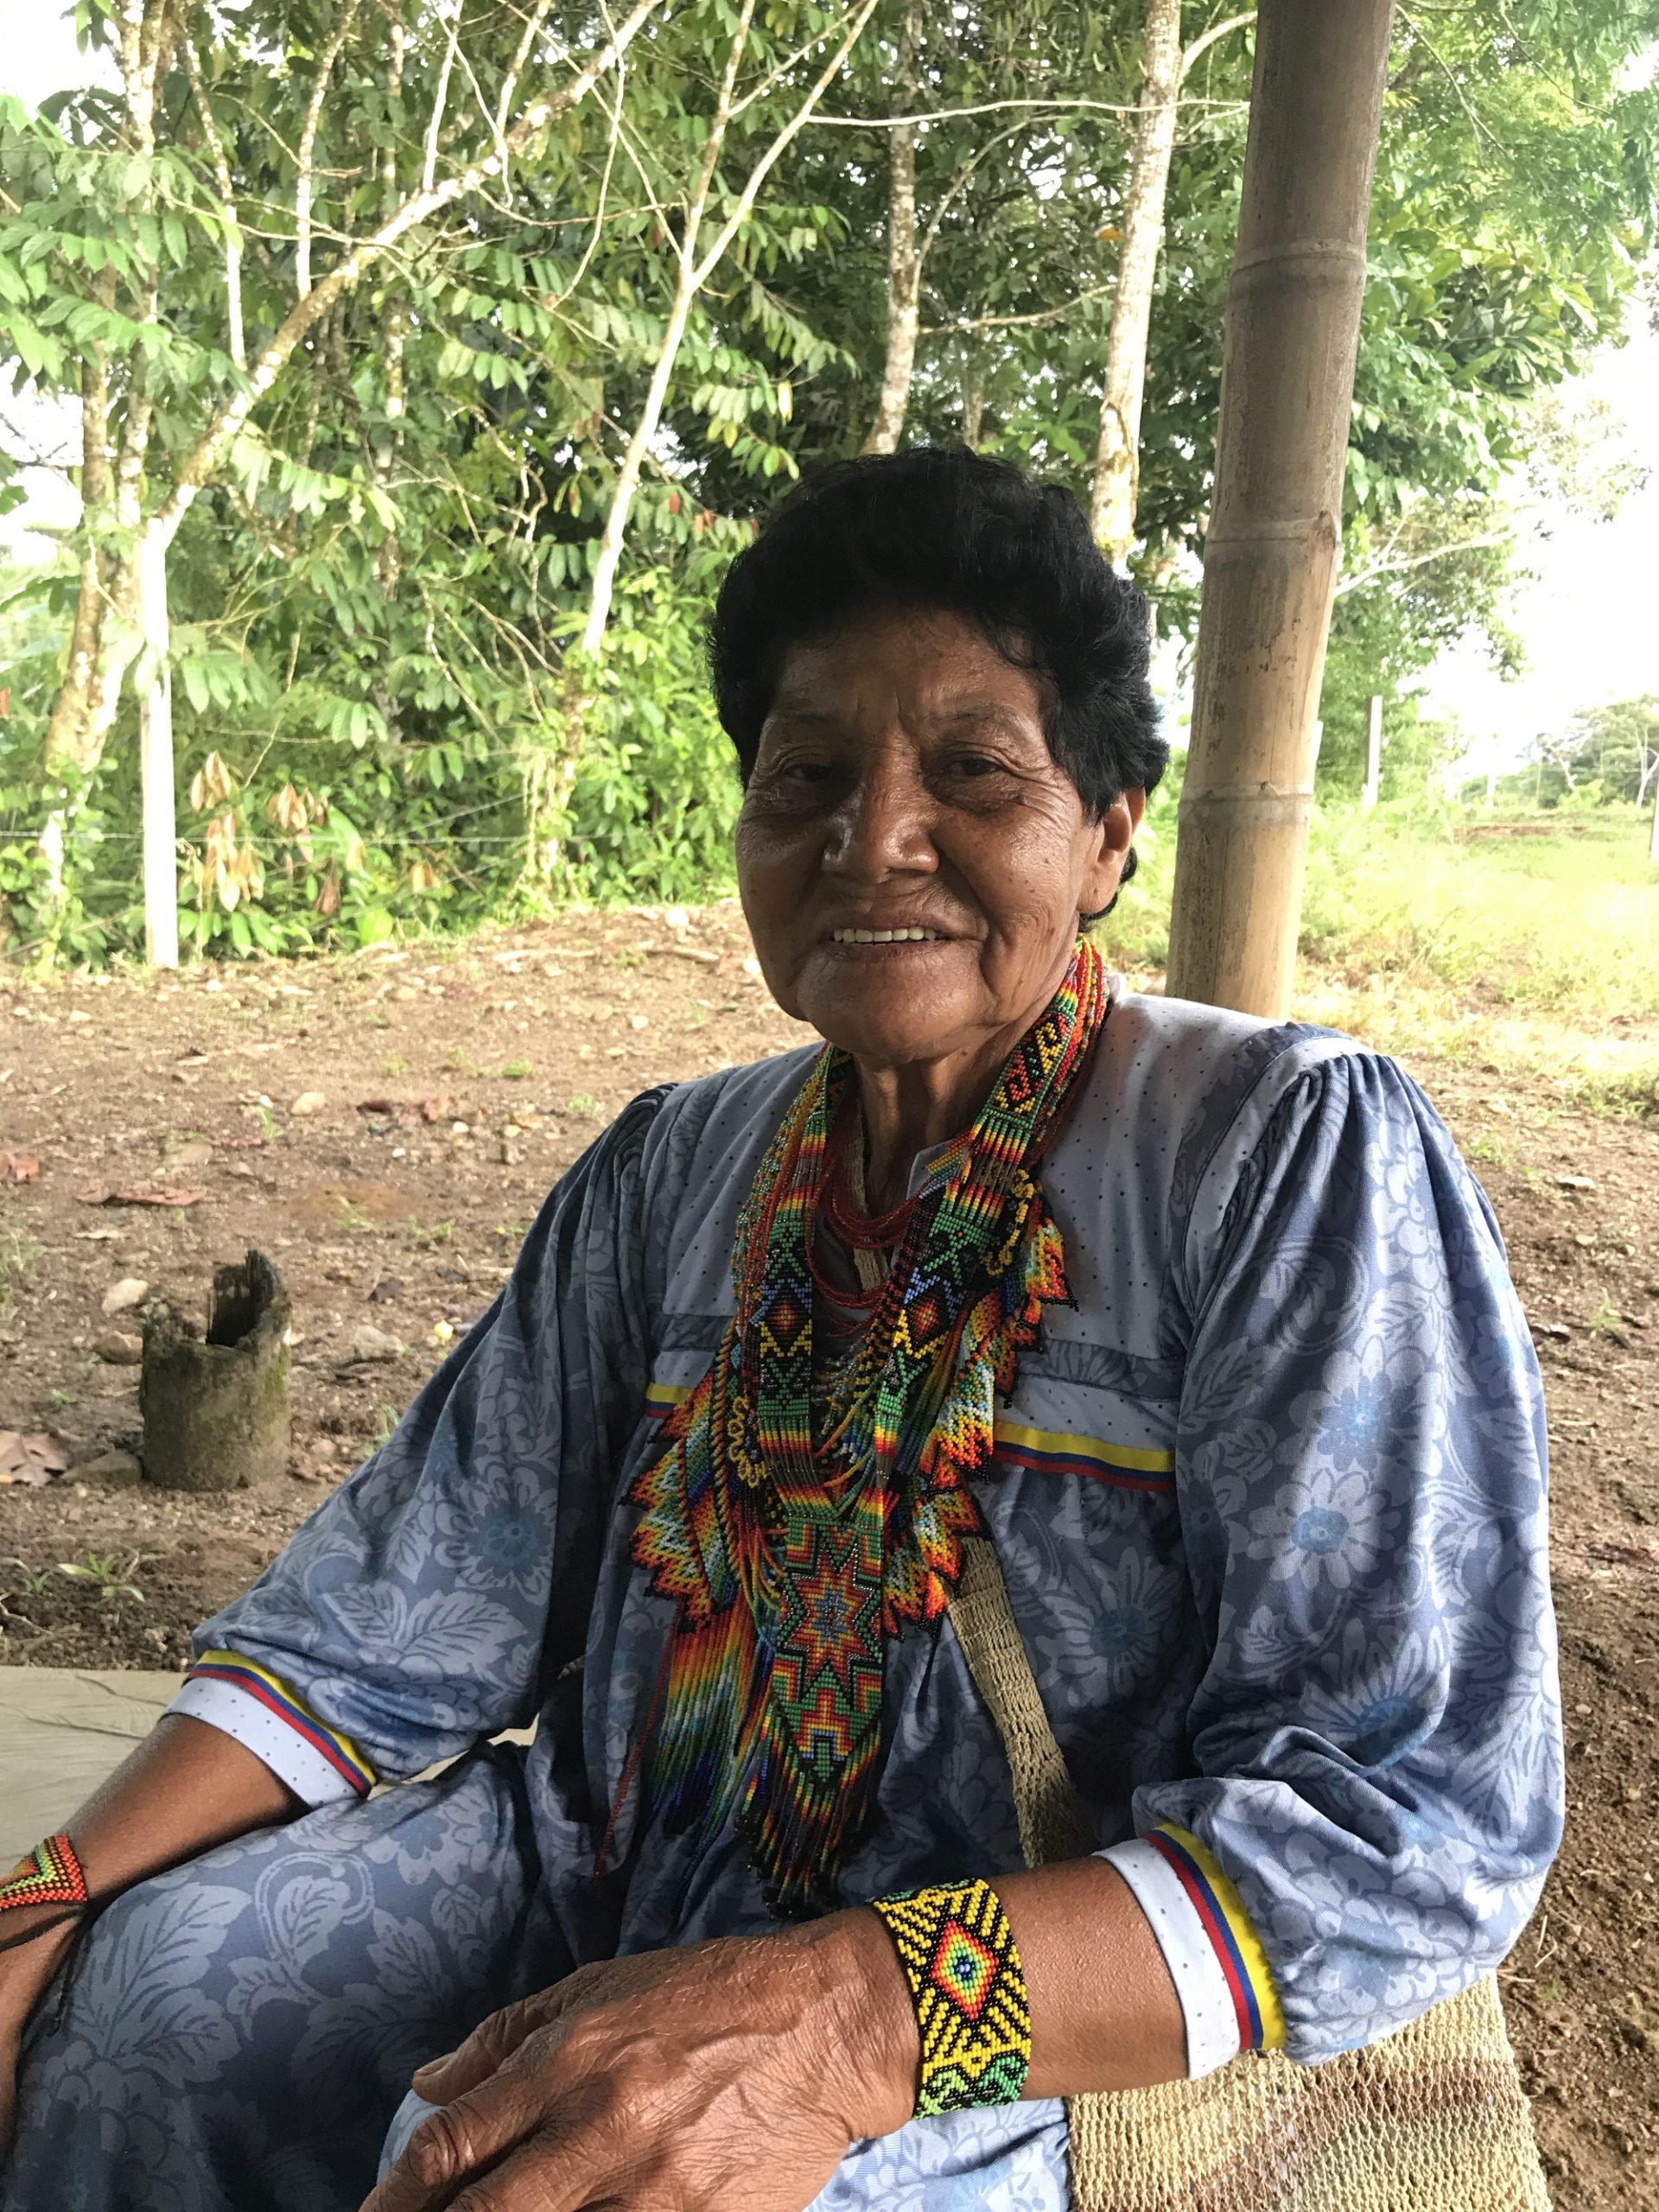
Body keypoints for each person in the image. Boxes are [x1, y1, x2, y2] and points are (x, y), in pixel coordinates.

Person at [0, 449, 1560, 2212]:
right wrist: (49, 1892)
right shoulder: (675, 1166)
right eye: (806, 774)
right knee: (141, 2006)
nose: (872, 835)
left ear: (1110, 832)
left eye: (973, 772)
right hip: (618, 1870)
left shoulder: (1279, 1156)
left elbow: (1401, 1813)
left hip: (1036, 2008)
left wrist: (842, 2023)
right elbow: (384, 1615)